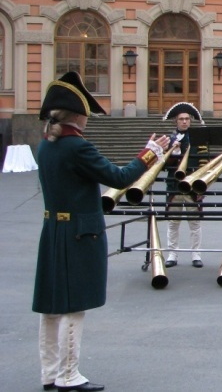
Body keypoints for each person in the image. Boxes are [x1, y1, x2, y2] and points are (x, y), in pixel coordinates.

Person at [33, 71, 169, 392]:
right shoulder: (75, 147)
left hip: (53, 229)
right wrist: (150, 153)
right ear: (77, 116)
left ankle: (50, 372)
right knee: (73, 305)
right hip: (78, 232)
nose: (88, 120)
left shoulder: (47, 146)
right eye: (86, 114)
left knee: (52, 306)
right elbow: (119, 177)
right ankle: (69, 376)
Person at [162, 102, 205, 268]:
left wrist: (201, 186)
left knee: (194, 222)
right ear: (176, 121)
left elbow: (204, 162)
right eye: (181, 119)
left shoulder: (199, 139)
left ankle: (196, 255)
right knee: (173, 222)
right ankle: (172, 254)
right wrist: (173, 153)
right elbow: (164, 165)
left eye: (187, 119)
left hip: (193, 186)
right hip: (174, 185)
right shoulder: (169, 139)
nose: (184, 122)